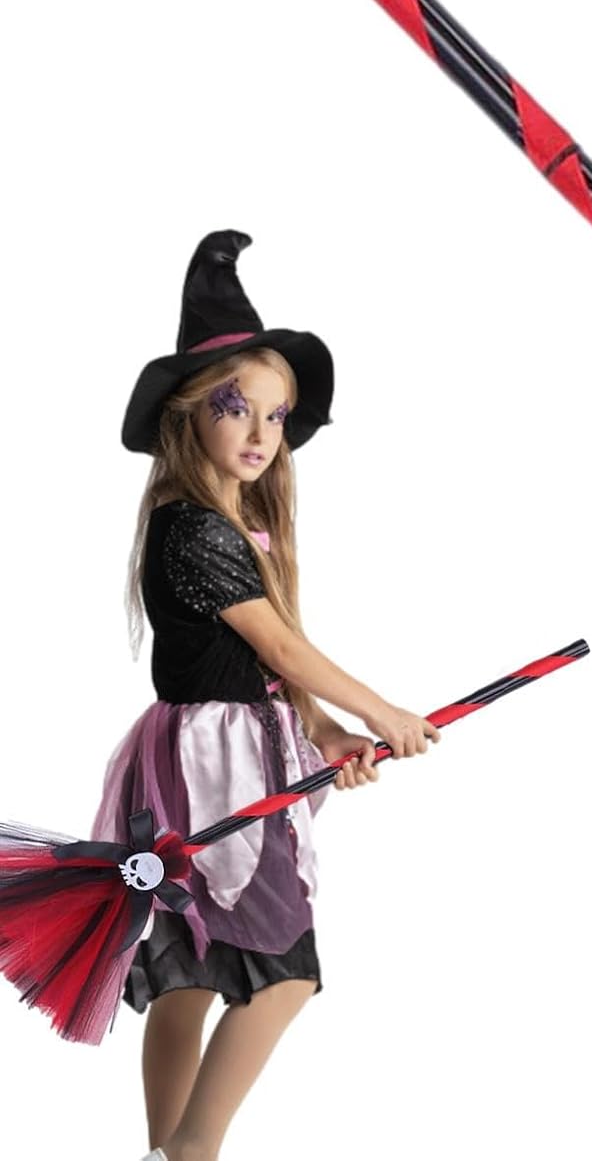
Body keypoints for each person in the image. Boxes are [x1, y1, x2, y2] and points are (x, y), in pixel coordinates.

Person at [94, 229, 440, 1161]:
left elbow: (272, 666)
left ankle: (165, 1150)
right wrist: (381, 712)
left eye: (277, 416)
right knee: (281, 970)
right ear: (188, 414)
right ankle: (190, 1150)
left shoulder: (237, 526)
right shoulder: (193, 529)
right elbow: (282, 644)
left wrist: (322, 730)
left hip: (214, 750)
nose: (259, 433)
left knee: (193, 970)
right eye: (236, 408)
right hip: (212, 766)